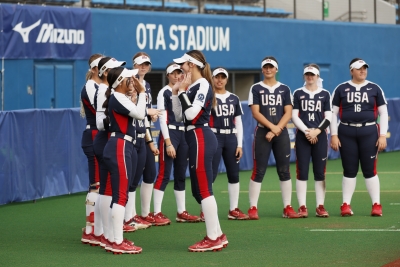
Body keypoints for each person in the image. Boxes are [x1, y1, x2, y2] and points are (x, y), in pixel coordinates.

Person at [172, 50, 227, 252]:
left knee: (204, 189)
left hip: (200, 137)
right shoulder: (193, 86)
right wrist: (176, 92)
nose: (181, 69)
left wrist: (184, 91)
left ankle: (213, 237)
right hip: (193, 137)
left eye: (183, 65)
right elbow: (179, 116)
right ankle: (218, 234)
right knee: (198, 190)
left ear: (192, 65)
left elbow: (192, 114)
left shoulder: (203, 83)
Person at [330, 58, 388, 217]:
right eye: (359, 68)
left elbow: (383, 113)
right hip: (346, 132)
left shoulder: (375, 88)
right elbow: (332, 114)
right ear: (351, 71)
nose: (363, 71)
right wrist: (334, 134)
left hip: (369, 131)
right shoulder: (341, 88)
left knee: (370, 170)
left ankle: (376, 204)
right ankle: (345, 205)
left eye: (364, 68)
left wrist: (382, 135)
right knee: (349, 170)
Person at [247, 56, 300, 219]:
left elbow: (288, 112)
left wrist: (276, 130)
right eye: (265, 67)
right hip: (264, 132)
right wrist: (272, 128)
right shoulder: (256, 88)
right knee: (259, 171)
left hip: (281, 133)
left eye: (271, 67)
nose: (268, 69)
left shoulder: (284, 89)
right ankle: (253, 207)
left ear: (276, 69)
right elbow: (255, 112)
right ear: (262, 70)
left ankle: (287, 207)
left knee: (284, 170)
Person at [102, 67, 146, 254]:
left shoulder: (117, 97)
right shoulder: (117, 97)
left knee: (117, 194)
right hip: (120, 145)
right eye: (129, 78)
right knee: (121, 195)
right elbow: (139, 114)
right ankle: (117, 242)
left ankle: (113, 239)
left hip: (119, 144)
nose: (132, 81)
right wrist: (142, 92)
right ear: (120, 81)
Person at [92, 57, 133, 251]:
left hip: (113, 140)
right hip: (108, 140)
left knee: (109, 189)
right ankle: (105, 234)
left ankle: (107, 235)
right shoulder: (103, 90)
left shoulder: (111, 90)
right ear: (106, 71)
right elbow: (100, 121)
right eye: (116, 68)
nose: (120, 70)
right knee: (107, 189)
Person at [152, 63, 199, 224]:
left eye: (179, 72)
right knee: (164, 174)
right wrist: (168, 142)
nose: (177, 76)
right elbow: (162, 118)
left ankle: (181, 212)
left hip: (184, 133)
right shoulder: (164, 92)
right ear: (168, 75)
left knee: (181, 174)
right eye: (173, 73)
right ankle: (156, 212)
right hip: (170, 133)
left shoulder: (184, 91)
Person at [291, 64, 331, 218]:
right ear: (304, 76)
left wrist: (317, 131)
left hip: (320, 136)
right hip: (303, 136)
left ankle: (320, 206)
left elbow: (329, 117)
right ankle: (302, 206)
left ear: (317, 76)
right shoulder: (298, 93)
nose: (310, 77)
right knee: (302, 171)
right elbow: (294, 116)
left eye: (312, 74)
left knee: (320, 172)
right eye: (307, 74)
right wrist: (307, 131)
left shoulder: (325, 94)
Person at [210, 67, 248, 220]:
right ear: (212, 78)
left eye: (222, 77)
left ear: (226, 79)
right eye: (217, 77)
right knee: (211, 174)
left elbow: (238, 122)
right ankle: (206, 209)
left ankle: (233, 209)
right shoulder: (209, 97)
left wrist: (239, 144)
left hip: (231, 137)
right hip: (214, 136)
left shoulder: (234, 98)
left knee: (233, 174)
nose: (219, 80)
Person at [130, 52, 161, 225]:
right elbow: (130, 108)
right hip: (131, 134)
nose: (144, 67)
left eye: (146, 64)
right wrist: (148, 112)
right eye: (141, 64)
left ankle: (144, 213)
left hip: (144, 133)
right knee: (133, 178)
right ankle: (130, 216)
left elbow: (144, 113)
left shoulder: (147, 85)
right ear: (134, 64)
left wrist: (150, 139)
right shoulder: (128, 82)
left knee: (150, 173)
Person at [80, 53, 103, 245]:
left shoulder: (99, 86)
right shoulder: (90, 86)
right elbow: (102, 112)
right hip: (94, 135)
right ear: (94, 69)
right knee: (96, 184)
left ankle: (96, 228)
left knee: (101, 184)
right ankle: (90, 230)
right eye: (102, 66)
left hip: (99, 136)